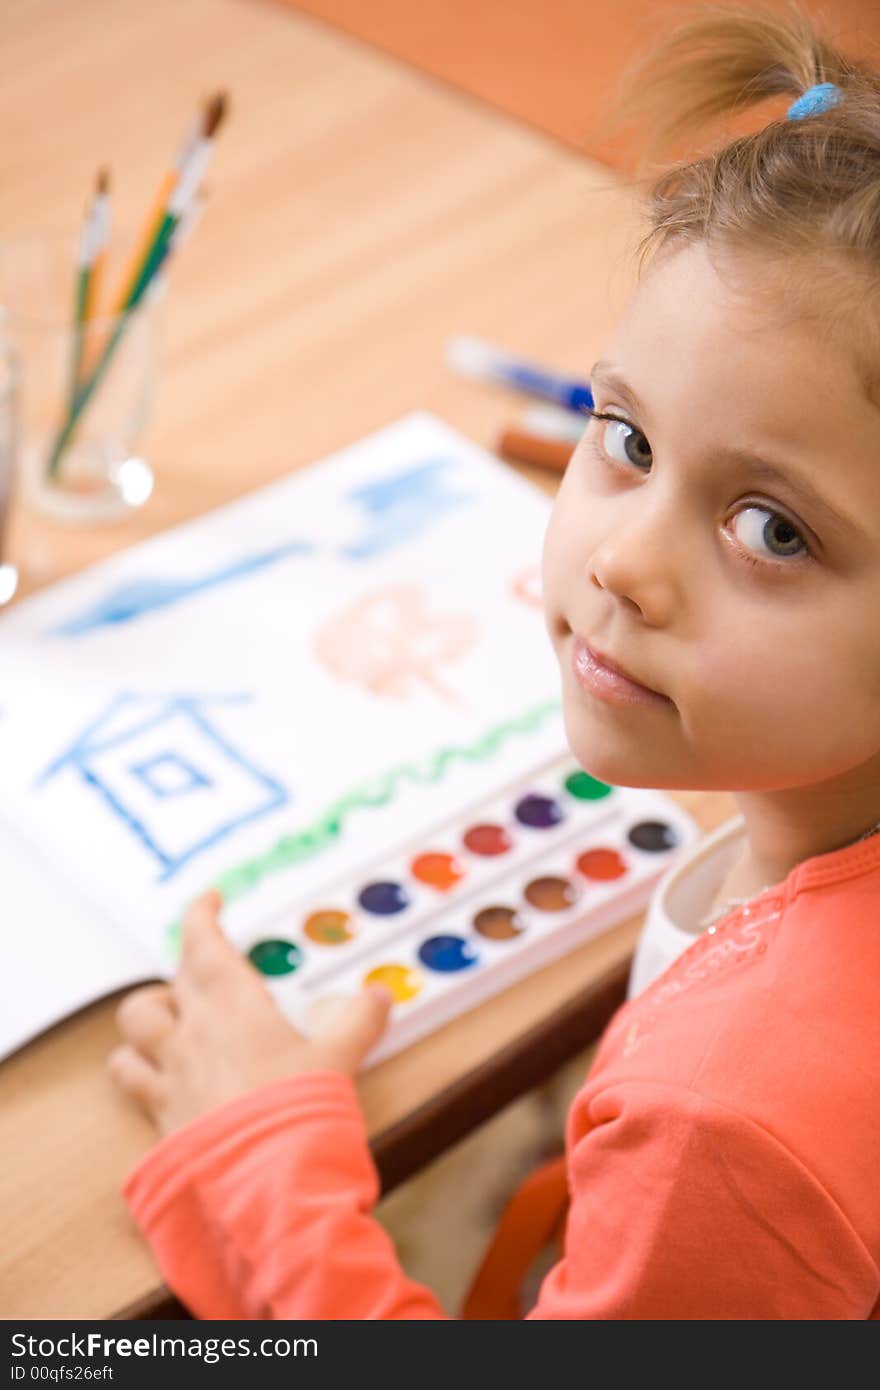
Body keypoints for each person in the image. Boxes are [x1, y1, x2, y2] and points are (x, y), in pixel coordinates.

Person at [108, 3, 880, 1318]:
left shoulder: (727, 1121)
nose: (623, 562)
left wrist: (264, 1164)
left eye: (773, 528)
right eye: (625, 436)